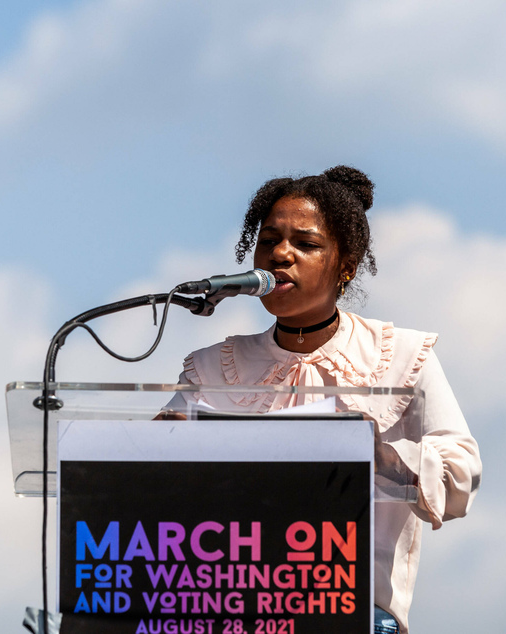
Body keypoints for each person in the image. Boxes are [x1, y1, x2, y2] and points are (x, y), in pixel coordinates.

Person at [165, 166, 482, 633]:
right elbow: (155, 489)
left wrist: (376, 455)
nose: (280, 255)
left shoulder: (402, 356)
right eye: (269, 240)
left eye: (305, 244)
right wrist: (151, 448)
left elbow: (460, 477)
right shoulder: (212, 367)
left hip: (352, 614)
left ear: (346, 264)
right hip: (228, 612)